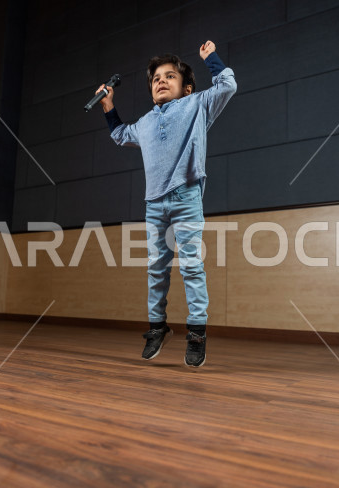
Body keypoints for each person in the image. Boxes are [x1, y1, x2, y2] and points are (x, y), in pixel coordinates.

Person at [95, 40, 237, 367]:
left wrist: (210, 58)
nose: (161, 80)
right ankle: (157, 327)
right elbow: (119, 134)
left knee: (191, 266)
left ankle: (197, 333)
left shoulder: (197, 105)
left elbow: (228, 85)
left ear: (185, 88)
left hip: (186, 197)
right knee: (157, 269)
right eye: (156, 77)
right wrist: (108, 105)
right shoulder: (145, 123)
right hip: (154, 204)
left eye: (169, 76)